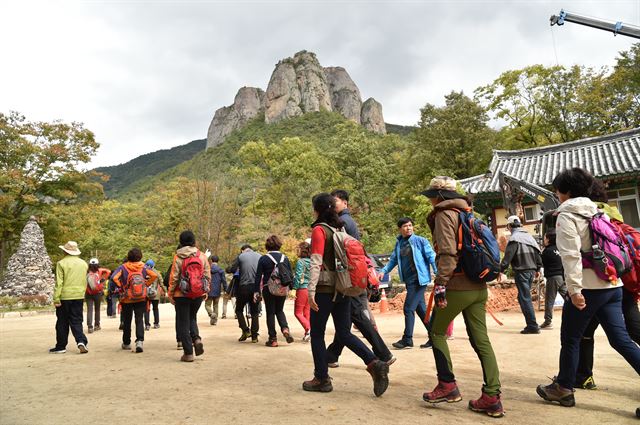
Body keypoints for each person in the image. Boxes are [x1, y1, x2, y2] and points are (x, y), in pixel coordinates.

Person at [536, 167, 640, 408]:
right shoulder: (598, 212)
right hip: (613, 284)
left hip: (589, 287)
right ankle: (564, 386)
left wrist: (574, 290)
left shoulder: (566, 215)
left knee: (571, 338)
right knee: (620, 339)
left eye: (558, 189)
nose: (557, 193)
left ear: (566, 191)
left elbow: (570, 256)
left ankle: (563, 388)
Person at [421, 176, 504, 418]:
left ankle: (447, 385)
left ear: (439, 196)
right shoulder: (468, 213)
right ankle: (492, 395)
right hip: (479, 287)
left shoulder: (444, 215)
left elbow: (447, 252)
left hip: (458, 285)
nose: (431, 201)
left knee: (436, 332)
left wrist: (441, 284)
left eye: (432, 196)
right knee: (481, 340)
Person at [302, 193, 389, 396]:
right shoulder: (339, 228)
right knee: (344, 332)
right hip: (343, 289)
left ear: (317, 209)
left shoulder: (319, 230)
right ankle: (374, 362)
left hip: (324, 289)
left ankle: (322, 378)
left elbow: (316, 262)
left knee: (317, 334)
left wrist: (311, 291)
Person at [574, 197, 640, 390]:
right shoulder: (615, 216)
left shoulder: (591, 216)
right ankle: (583, 375)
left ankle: (583, 376)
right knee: (628, 331)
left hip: (603, 285)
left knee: (615, 337)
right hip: (624, 282)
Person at [326, 189, 394, 366]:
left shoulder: (343, 223)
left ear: (345, 203)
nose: (332, 206)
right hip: (354, 275)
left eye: (336, 202)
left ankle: (383, 354)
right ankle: (332, 355)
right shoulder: (347, 221)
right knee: (346, 321)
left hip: (351, 277)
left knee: (357, 316)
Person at [378, 217, 437, 349]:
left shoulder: (420, 241)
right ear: (400, 229)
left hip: (419, 280)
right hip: (409, 281)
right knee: (421, 310)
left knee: (408, 308)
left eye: (410, 225)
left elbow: (431, 257)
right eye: (405, 226)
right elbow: (393, 260)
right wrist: (384, 271)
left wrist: (438, 273)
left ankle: (407, 339)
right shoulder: (399, 244)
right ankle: (435, 337)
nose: (408, 228)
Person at [168, 231, 210, 362]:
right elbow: (207, 275)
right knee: (192, 317)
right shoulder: (202, 256)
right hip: (197, 293)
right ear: (194, 241)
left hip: (182, 294)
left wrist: (170, 293)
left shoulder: (178, 257)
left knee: (182, 322)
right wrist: (205, 291)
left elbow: (174, 277)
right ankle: (196, 339)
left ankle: (188, 353)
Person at [500, 215, 543, 334]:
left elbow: (508, 257)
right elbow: (537, 253)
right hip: (531, 271)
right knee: (523, 297)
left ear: (509, 226)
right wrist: (538, 268)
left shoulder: (514, 238)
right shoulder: (529, 237)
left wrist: (500, 270)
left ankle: (532, 326)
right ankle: (532, 323)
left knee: (525, 298)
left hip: (522, 271)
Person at [113, 248, 158, 353]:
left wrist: (122, 287)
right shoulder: (143, 267)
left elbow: (114, 277)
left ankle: (126, 343)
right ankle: (139, 341)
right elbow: (154, 275)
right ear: (140, 256)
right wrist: (145, 285)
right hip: (140, 297)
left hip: (127, 298)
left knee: (127, 320)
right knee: (139, 319)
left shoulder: (123, 267)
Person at [50, 241, 89, 354]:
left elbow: (59, 283)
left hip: (65, 296)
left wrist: (56, 298)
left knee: (62, 321)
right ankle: (81, 341)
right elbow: (84, 281)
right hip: (79, 295)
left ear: (65, 251)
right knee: (77, 320)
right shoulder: (83, 264)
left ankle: (61, 346)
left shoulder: (61, 263)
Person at [255, 235, 295, 347]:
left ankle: (273, 339)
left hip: (269, 289)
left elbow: (258, 277)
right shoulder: (285, 258)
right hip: (282, 288)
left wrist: (256, 291)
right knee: (280, 310)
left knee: (271, 312)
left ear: (267, 246)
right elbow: (290, 275)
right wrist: (290, 288)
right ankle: (285, 329)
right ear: (279, 245)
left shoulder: (264, 258)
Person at [226, 244, 262, 343]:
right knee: (255, 312)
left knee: (239, 310)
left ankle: (246, 330)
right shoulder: (259, 256)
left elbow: (232, 269)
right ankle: (254, 336)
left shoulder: (241, 256)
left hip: (244, 287)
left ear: (243, 250)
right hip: (256, 288)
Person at [540, 230, 567, 329]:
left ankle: (548, 321)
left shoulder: (546, 251)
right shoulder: (559, 249)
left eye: (545, 238)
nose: (544, 240)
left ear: (548, 239)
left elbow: (541, 263)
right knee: (568, 297)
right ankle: (580, 313)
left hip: (552, 278)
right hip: (562, 277)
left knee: (549, 300)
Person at [293, 241, 311, 341]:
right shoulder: (313, 261)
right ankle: (307, 333)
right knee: (307, 313)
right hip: (311, 289)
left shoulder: (301, 262)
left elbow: (298, 276)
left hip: (302, 289)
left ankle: (309, 329)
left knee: (298, 313)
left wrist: (294, 288)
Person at [143, 259, 166, 330]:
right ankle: (156, 323)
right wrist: (165, 291)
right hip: (155, 294)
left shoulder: (144, 272)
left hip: (146, 294)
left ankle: (147, 325)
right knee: (155, 308)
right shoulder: (157, 273)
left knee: (146, 309)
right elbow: (162, 283)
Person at [205, 255, 227, 326]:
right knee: (216, 305)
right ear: (218, 261)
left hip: (209, 290)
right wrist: (226, 289)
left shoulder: (207, 269)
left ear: (211, 260)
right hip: (217, 290)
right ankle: (214, 321)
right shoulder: (221, 270)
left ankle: (211, 314)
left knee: (207, 305)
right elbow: (224, 281)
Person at [85, 258, 104, 334]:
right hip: (98, 293)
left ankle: (90, 326)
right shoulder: (99, 273)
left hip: (88, 293)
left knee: (89, 310)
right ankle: (97, 325)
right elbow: (99, 283)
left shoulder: (87, 273)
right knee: (97, 309)